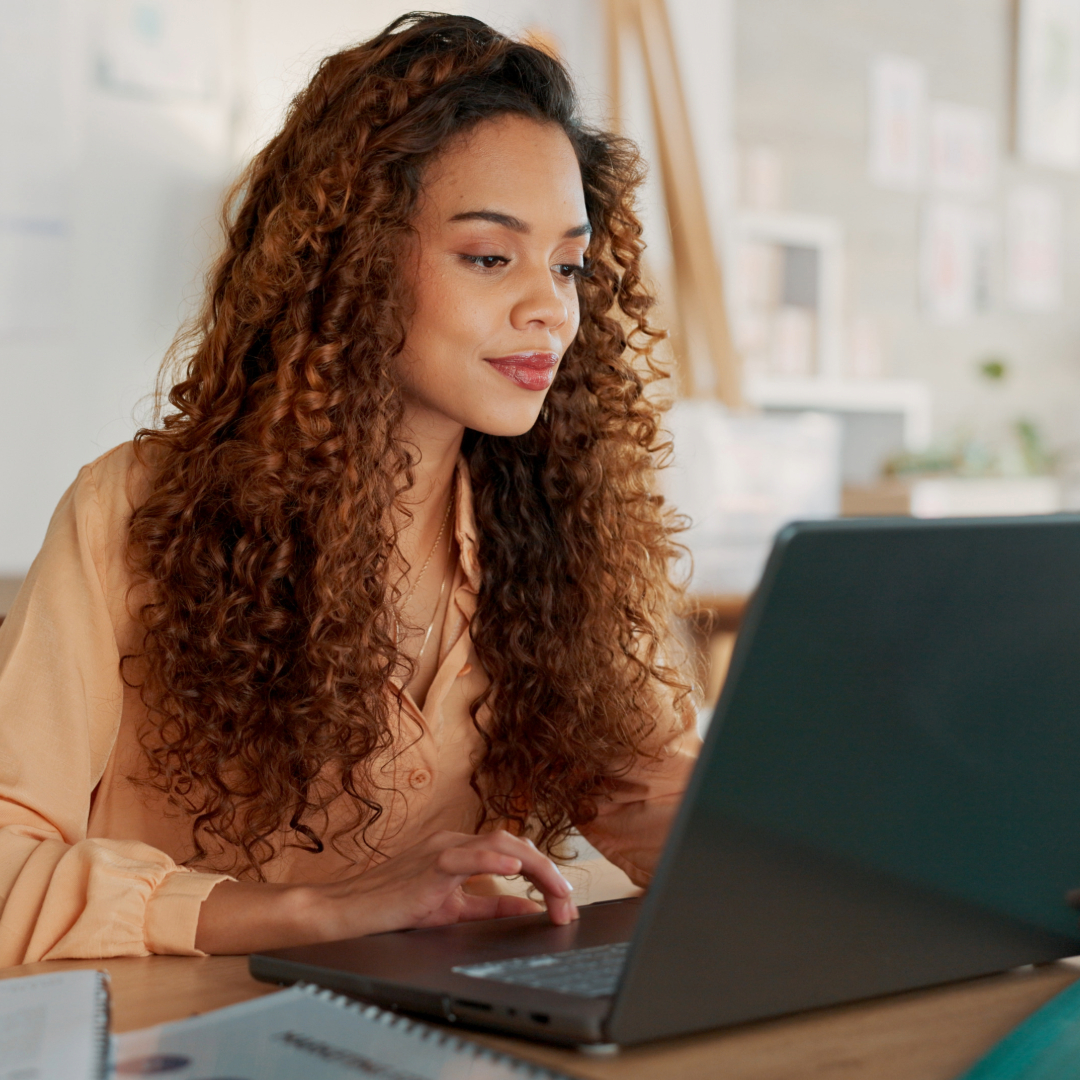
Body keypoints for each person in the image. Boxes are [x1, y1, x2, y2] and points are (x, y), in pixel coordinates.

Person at [0, 13, 698, 964]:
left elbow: (661, 806)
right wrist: (323, 913)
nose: (552, 308)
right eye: (490, 257)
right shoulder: (134, 511)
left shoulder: (555, 536)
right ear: (355, 259)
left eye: (568, 265)